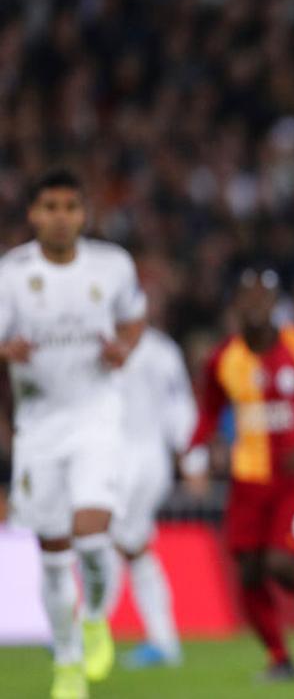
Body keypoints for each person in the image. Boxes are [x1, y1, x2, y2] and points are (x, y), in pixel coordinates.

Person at [0, 169, 146, 699]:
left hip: (96, 419)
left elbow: (134, 319)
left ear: (84, 214)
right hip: (38, 429)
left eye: (69, 207)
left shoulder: (112, 266)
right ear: (34, 214)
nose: (60, 217)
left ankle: (94, 619)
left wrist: (124, 348)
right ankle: (67, 664)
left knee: (92, 538)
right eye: (49, 207)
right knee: (55, 555)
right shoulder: (11, 274)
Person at [182, 268, 294, 681]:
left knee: (279, 562)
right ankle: (280, 658)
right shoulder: (224, 359)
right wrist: (195, 449)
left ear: (275, 304)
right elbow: (209, 410)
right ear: (236, 305)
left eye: (263, 297)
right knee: (249, 572)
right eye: (247, 297)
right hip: (248, 480)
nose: (255, 305)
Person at [107, 326, 197, 667]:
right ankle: (163, 641)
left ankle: (86, 629)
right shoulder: (102, 342)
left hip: (145, 462)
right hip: (112, 460)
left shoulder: (159, 350)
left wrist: (192, 457)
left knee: (111, 542)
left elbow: (179, 403)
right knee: (135, 546)